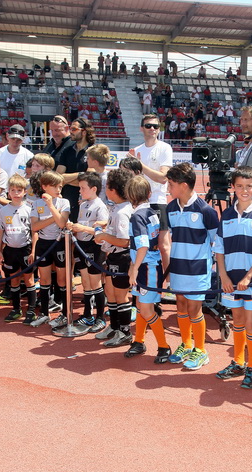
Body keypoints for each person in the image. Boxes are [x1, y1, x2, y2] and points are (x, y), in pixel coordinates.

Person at [214, 166, 252, 389]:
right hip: (230, 279)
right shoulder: (227, 215)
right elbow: (219, 248)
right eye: (239, 186)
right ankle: (238, 362)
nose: (244, 190)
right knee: (237, 320)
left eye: (249, 186)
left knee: (251, 324)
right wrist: (223, 275)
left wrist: (249, 276)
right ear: (233, 188)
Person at [162, 163, 219, 369]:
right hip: (178, 268)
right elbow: (166, 240)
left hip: (198, 269)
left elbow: (216, 242)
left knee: (195, 309)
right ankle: (186, 345)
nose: (168, 188)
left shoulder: (206, 211)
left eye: (171, 184)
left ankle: (201, 350)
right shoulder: (170, 208)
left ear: (184, 185)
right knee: (181, 305)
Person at [124, 175, 170, 361]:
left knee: (146, 309)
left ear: (129, 195)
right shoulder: (152, 212)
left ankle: (164, 346)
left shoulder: (137, 216)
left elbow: (142, 245)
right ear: (149, 194)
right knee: (142, 305)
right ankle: (139, 341)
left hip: (147, 267)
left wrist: (134, 268)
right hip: (150, 264)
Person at [63, 171, 109, 334]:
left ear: (94, 188)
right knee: (85, 281)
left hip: (94, 247)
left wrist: (82, 228)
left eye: (83, 188)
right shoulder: (83, 204)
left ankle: (100, 317)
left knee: (95, 283)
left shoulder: (100, 206)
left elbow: (103, 230)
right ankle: (88, 314)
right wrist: (74, 228)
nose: (80, 191)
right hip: (81, 245)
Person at [93, 168, 134, 347]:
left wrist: (103, 237)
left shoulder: (122, 212)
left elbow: (125, 240)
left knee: (120, 295)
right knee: (110, 292)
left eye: (107, 186)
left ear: (113, 189)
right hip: (113, 256)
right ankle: (115, 326)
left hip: (122, 257)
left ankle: (124, 332)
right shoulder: (116, 208)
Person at [128, 115, 173, 273]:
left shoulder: (164, 148)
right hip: (139, 203)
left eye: (155, 126)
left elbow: (162, 178)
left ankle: (168, 283)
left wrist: (140, 164)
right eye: (148, 126)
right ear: (142, 128)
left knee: (163, 244)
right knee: (139, 242)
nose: (152, 129)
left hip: (158, 201)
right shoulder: (137, 150)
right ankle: (139, 277)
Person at [0, 174, 37, 324]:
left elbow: (34, 231)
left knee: (29, 280)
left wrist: (33, 251)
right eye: (13, 190)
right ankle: (16, 309)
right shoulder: (3, 211)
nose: (16, 193)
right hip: (10, 250)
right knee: (14, 279)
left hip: (25, 249)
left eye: (19, 190)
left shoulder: (29, 209)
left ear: (25, 191)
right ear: (8, 192)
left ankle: (31, 310)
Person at [29, 171, 70, 327]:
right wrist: (55, 216)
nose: (58, 190)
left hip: (60, 244)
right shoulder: (36, 204)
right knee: (44, 279)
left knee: (62, 280)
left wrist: (52, 206)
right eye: (54, 186)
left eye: (60, 186)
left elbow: (62, 224)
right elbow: (34, 227)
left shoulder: (64, 202)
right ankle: (44, 313)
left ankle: (65, 314)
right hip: (43, 244)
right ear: (44, 187)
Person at [57, 117, 96, 217]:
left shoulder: (94, 151)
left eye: (74, 129)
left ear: (84, 132)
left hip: (84, 203)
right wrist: (81, 175)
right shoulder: (66, 151)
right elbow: (58, 177)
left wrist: (66, 180)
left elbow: (89, 181)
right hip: (65, 202)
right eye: (70, 129)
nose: (70, 132)